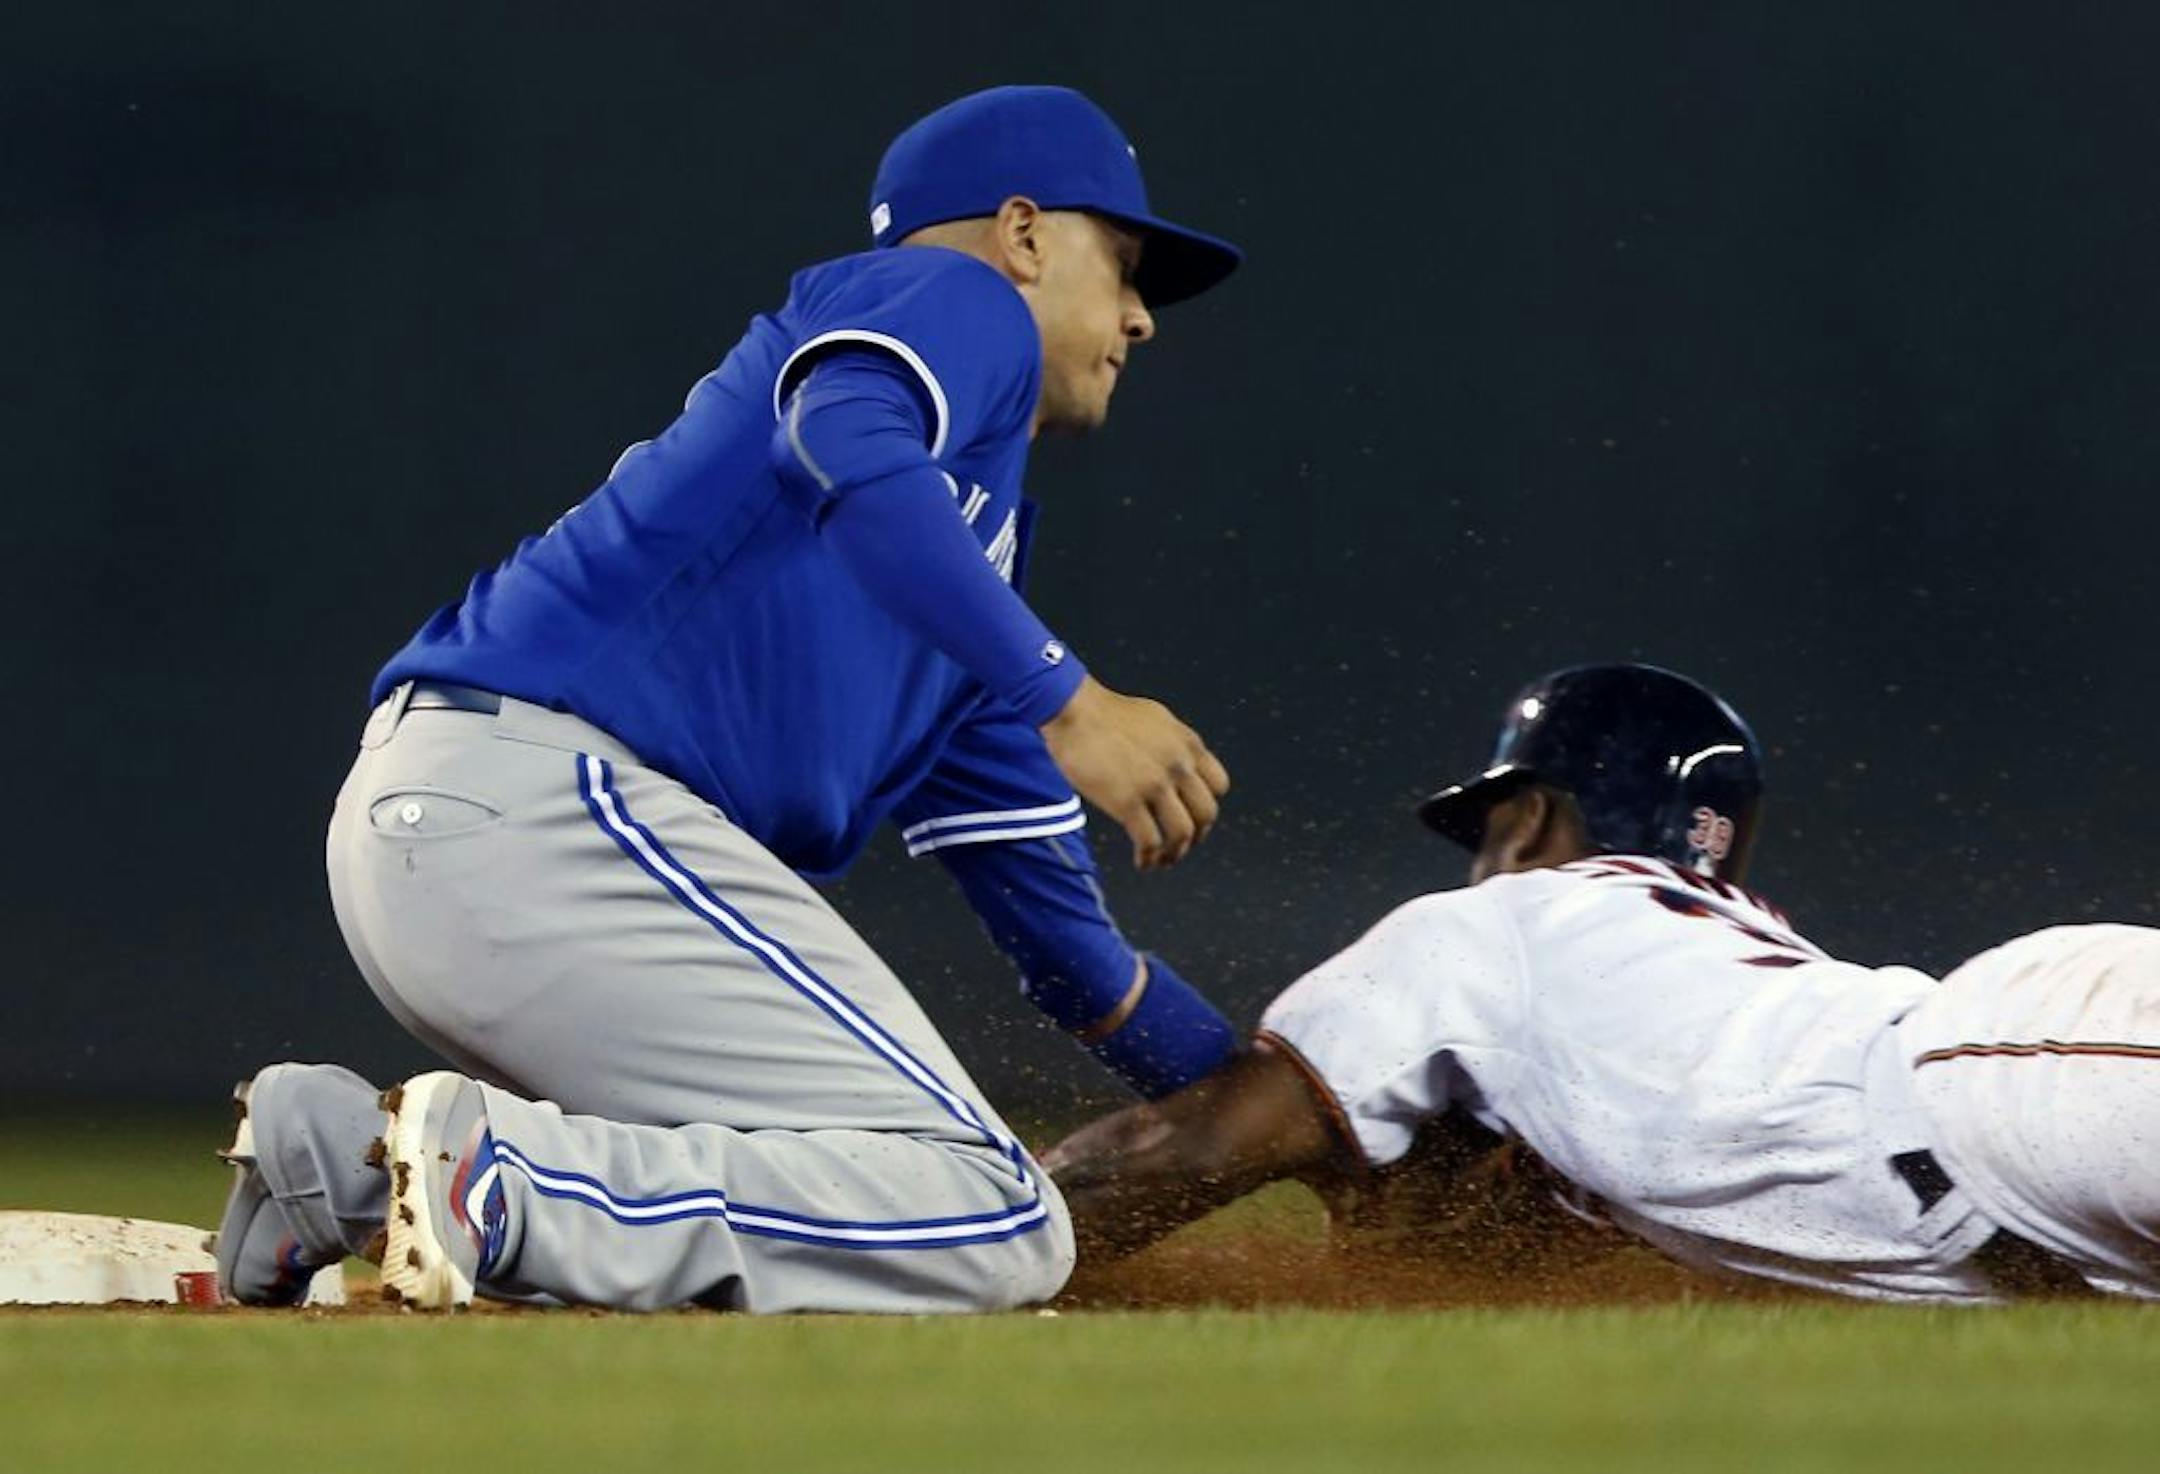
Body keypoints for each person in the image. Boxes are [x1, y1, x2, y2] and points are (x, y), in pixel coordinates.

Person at [213, 85, 1243, 1314]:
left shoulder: (961, 576)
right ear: (1022, 234)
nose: (1140, 316)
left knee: (927, 1199)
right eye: (1123, 264)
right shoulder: (950, 298)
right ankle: (478, 1177)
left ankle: (342, 1164)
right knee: (998, 1210)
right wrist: (1070, 698)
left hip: (482, 839)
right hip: (549, 811)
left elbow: (1076, 957)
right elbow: (846, 435)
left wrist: (1275, 1098)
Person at [1046, 665, 2160, 1302]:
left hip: (2009, 1081)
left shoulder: (1504, 916)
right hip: (2026, 1107)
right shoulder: (1708, 970)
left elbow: (1189, 1151)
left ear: (1527, 818)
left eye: (1486, 827)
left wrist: (952, 1241)